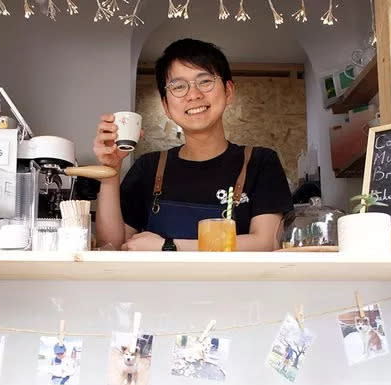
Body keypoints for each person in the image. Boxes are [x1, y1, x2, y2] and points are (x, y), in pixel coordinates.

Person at [92, 38, 293, 251]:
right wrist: (110, 173)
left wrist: (169, 246)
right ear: (166, 106)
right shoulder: (148, 168)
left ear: (228, 91)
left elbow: (266, 243)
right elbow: (111, 245)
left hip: (236, 285)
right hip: (160, 286)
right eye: (178, 86)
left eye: (205, 81)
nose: (194, 95)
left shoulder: (260, 162)